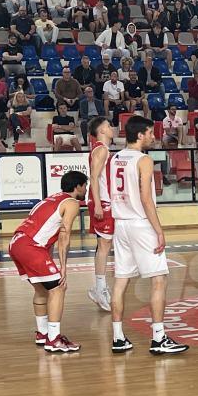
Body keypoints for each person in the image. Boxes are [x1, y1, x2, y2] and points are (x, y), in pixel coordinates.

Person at [109, 115, 189, 355]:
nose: (154, 137)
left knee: (121, 280)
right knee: (159, 280)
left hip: (120, 223)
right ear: (140, 134)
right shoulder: (143, 160)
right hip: (140, 224)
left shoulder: (115, 158)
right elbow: (145, 198)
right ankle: (158, 338)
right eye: (151, 133)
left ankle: (118, 337)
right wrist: (159, 230)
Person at [8, 170, 88, 352]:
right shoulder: (72, 203)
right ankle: (54, 339)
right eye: (85, 185)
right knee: (58, 287)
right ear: (77, 186)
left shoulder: (50, 198)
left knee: (42, 289)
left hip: (16, 243)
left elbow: (46, 231)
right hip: (31, 246)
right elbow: (64, 235)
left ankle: (42, 334)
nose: (86, 189)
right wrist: (63, 267)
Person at [83, 116, 115, 312]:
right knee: (104, 246)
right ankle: (100, 288)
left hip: (104, 200)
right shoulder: (101, 149)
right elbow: (93, 177)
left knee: (106, 245)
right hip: (101, 201)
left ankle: (101, 286)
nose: (112, 128)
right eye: (108, 126)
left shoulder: (102, 149)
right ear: (102, 130)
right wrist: (97, 205)